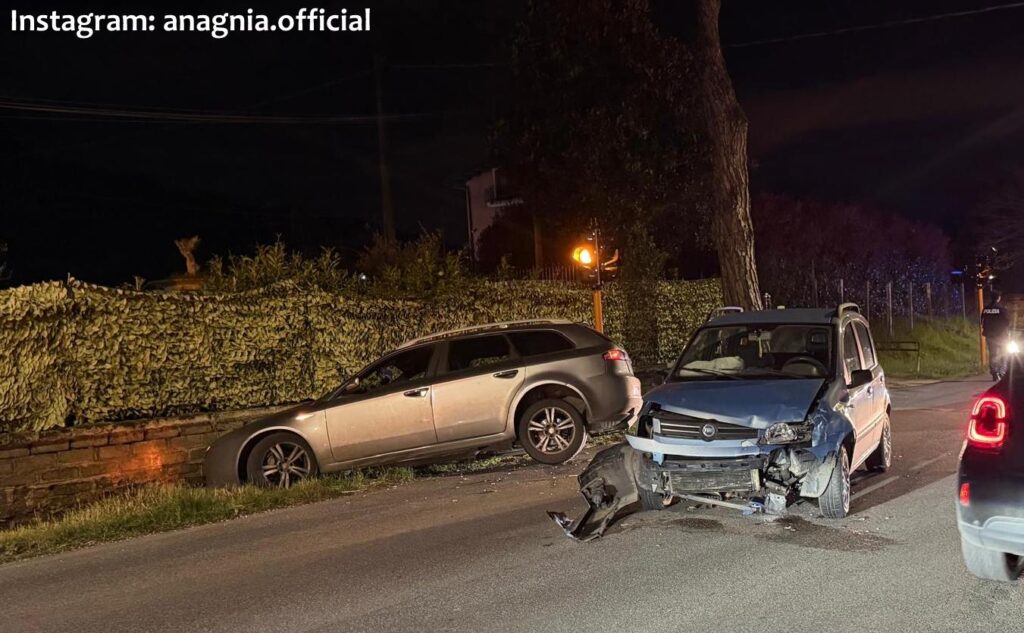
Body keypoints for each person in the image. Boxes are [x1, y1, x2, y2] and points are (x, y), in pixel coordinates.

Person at [981, 292, 1010, 380]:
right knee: (1004, 354)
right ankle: (1002, 372)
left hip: (990, 335)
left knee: (993, 354)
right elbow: (1007, 322)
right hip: (1002, 336)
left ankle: (994, 372)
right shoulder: (1002, 309)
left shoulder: (985, 309)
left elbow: (982, 321)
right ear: (999, 298)